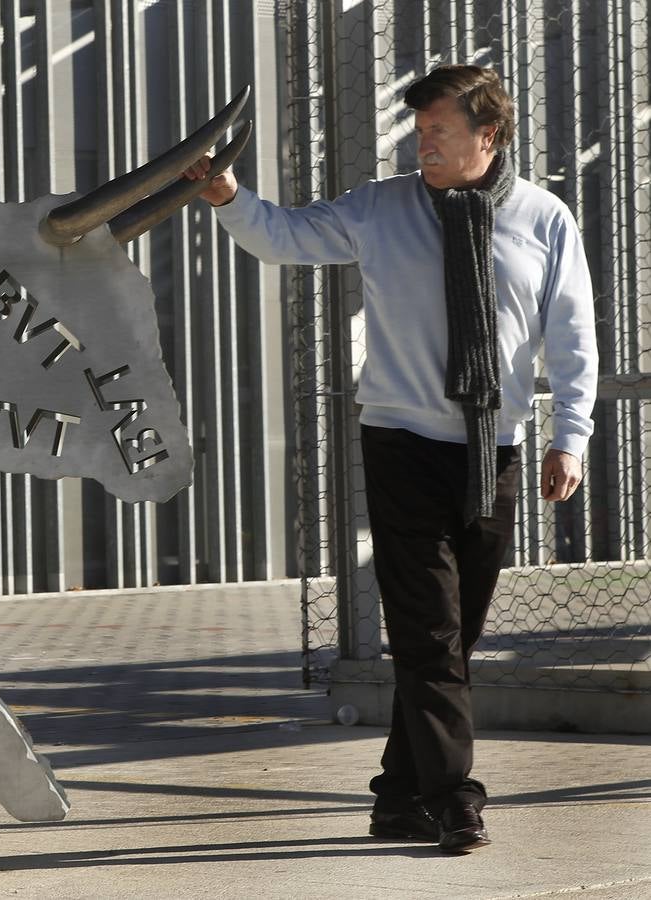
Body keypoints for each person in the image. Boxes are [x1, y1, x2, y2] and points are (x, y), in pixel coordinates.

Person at [185, 64, 597, 853]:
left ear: (488, 133)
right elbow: (288, 235)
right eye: (418, 131)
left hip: (494, 449)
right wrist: (229, 199)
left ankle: (397, 793)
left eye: (438, 129)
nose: (424, 144)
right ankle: (453, 797)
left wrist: (568, 436)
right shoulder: (380, 208)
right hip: (401, 444)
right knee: (429, 636)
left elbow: (571, 334)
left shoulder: (544, 218)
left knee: (454, 634)